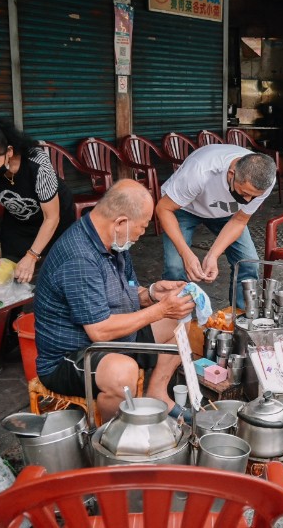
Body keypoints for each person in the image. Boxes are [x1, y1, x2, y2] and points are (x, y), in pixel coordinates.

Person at [34, 180, 195, 423]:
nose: (141, 235)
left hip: (113, 338)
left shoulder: (113, 242)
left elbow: (127, 291)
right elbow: (99, 331)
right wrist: (159, 310)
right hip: (70, 356)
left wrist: (152, 293)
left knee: (179, 318)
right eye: (141, 228)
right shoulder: (79, 258)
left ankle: (158, 393)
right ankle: (115, 437)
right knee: (122, 373)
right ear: (121, 222)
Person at [156, 143, 277, 309]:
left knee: (248, 263)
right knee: (175, 267)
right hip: (185, 208)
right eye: (244, 194)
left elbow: (239, 220)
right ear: (231, 174)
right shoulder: (200, 171)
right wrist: (186, 255)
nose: (248, 201)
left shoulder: (265, 180)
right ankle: (174, 322)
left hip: (227, 213)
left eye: (253, 197)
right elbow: (163, 208)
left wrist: (213, 255)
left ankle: (241, 319)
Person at [0, 112, 75, 283]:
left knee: (56, 269)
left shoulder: (37, 164)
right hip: (18, 216)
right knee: (13, 271)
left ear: (9, 151)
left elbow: (51, 217)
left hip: (55, 218)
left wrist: (31, 256)